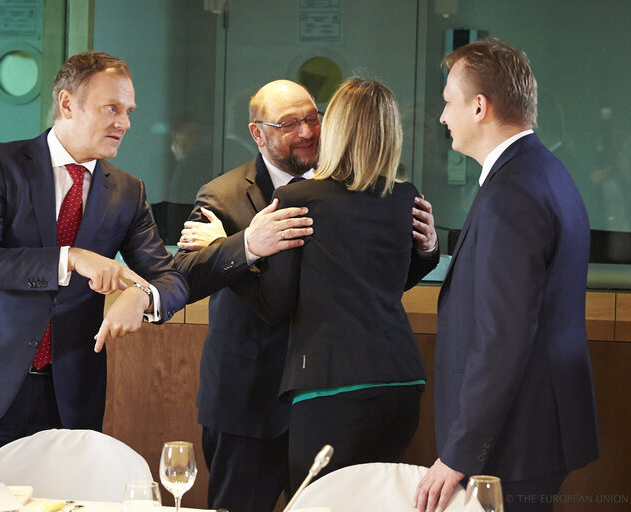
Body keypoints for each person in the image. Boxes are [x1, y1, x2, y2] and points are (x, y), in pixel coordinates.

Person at [0, 51, 188, 491]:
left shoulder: (127, 191)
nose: (125, 122)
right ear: (67, 104)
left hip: (68, 395)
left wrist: (141, 297)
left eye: (129, 111)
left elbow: (170, 277)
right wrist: (71, 257)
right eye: (112, 109)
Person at [173, 79, 438, 512]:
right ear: (258, 133)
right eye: (290, 123)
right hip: (251, 404)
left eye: (313, 118)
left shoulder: (363, 188)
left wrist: (427, 250)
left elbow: (373, 281)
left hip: (329, 394)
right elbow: (185, 276)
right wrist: (242, 246)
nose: (307, 132)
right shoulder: (220, 196)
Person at [414, 39, 598, 512]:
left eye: (448, 102)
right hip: (533, 429)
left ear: (480, 106)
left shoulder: (511, 193)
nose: (442, 117)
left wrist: (460, 452)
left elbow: (504, 336)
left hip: (512, 442)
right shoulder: (545, 171)